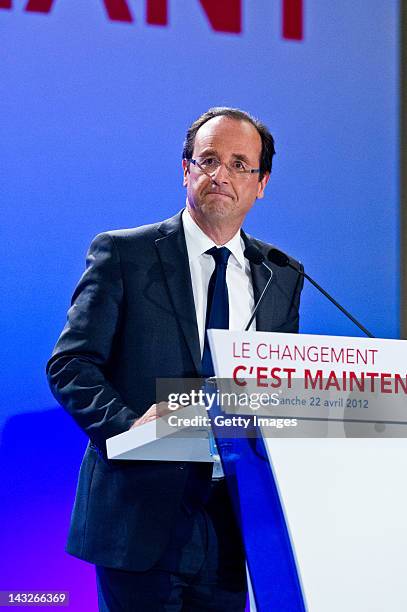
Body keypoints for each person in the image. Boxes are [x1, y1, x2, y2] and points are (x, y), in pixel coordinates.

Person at [47, 107, 303, 611]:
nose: (220, 175)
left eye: (238, 164)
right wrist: (129, 427)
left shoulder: (280, 274)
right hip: (140, 511)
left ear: (262, 183)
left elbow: (276, 386)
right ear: (186, 170)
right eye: (207, 160)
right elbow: (71, 365)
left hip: (233, 519)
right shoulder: (125, 254)